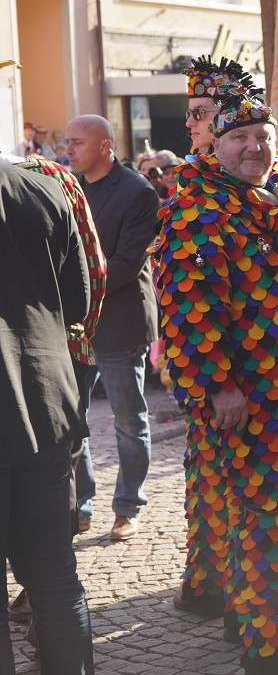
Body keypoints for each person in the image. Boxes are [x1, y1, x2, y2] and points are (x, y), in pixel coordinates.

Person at [158, 92, 278, 675]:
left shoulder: (271, 200)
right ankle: (275, 651)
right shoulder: (200, 209)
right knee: (277, 516)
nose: (255, 147)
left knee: (261, 515)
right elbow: (190, 308)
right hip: (250, 400)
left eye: (263, 137)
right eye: (240, 137)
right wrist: (220, 387)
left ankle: (254, 627)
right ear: (214, 144)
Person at [0, 161, 96, 674]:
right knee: (54, 574)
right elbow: (78, 300)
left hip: (34, 402)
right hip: (45, 396)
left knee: (55, 576)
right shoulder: (43, 188)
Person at [66, 114, 159, 542]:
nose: (68, 150)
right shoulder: (68, 187)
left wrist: (74, 291)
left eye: (77, 142)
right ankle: (79, 504)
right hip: (75, 324)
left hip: (119, 321)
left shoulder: (138, 192)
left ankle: (127, 506)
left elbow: (126, 263)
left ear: (104, 146)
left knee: (128, 420)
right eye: (67, 142)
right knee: (70, 419)